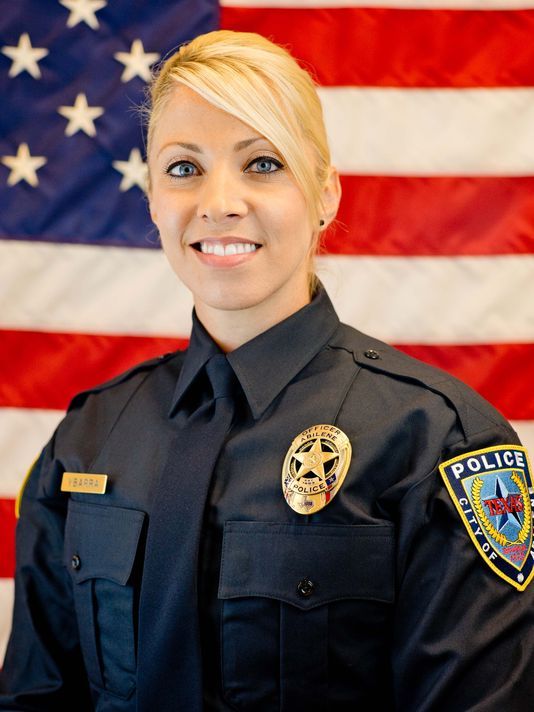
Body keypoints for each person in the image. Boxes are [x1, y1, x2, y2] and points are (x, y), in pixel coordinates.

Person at [1, 29, 533, 712]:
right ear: (153, 200)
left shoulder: (437, 440)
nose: (219, 202)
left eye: (262, 163)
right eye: (183, 168)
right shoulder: (89, 436)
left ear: (325, 195)